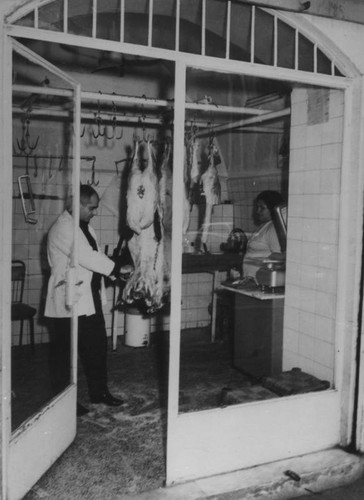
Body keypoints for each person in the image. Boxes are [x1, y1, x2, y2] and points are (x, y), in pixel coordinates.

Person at [45, 184, 133, 416]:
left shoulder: (83, 226)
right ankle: (65, 403)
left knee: (96, 348)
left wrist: (115, 271)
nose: (95, 212)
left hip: (88, 298)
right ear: (78, 204)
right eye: (91, 208)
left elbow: (95, 255)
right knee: (65, 354)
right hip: (68, 299)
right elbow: (86, 256)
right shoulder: (63, 228)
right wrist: (116, 267)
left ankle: (99, 392)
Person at [242, 190, 284, 279]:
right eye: (257, 207)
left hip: (261, 281)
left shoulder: (273, 228)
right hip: (252, 279)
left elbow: (279, 257)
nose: (258, 211)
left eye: (262, 208)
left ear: (272, 209)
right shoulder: (265, 226)